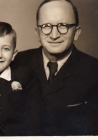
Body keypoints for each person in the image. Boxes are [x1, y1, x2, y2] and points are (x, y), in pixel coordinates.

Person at [12, 0, 98, 135]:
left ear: (76, 32)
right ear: (37, 33)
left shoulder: (94, 70)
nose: (54, 35)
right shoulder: (16, 62)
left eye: (63, 26)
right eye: (46, 26)